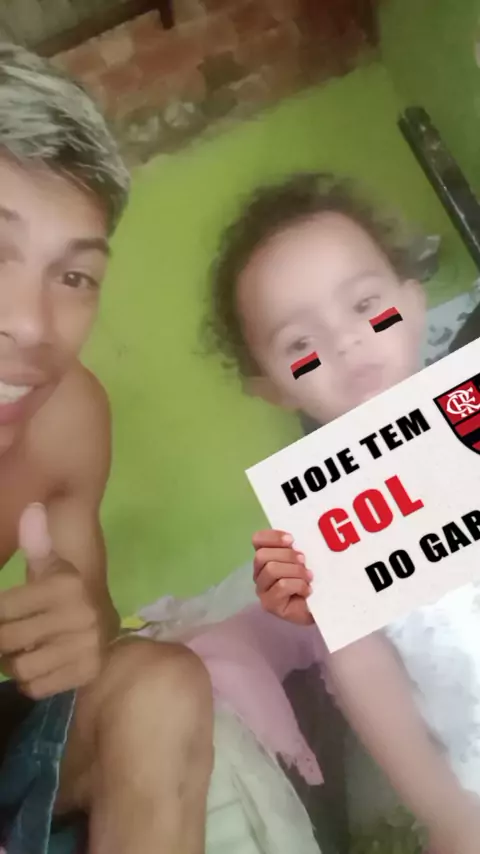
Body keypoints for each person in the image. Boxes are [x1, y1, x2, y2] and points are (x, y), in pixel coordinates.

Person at [205, 172, 480, 853]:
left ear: (412, 301)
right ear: (271, 387)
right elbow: (363, 671)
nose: (345, 341)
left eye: (365, 305)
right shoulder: (324, 517)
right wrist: (445, 813)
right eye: (300, 345)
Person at [0, 43, 213, 854]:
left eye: (74, 277)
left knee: (160, 688)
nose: (32, 324)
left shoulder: (70, 419)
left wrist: (63, 625)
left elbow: (90, 627)